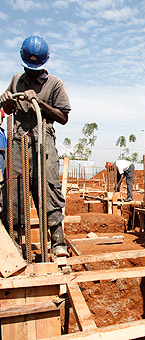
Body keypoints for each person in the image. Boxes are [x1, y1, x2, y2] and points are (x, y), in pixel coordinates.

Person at [0, 35, 71, 257]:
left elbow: (63, 117)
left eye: (35, 68)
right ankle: (14, 242)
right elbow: (9, 111)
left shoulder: (55, 84)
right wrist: (6, 102)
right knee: (13, 189)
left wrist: (38, 102)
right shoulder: (16, 80)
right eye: (28, 68)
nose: (31, 72)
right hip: (19, 140)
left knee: (48, 188)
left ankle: (57, 240)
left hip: (43, 141)